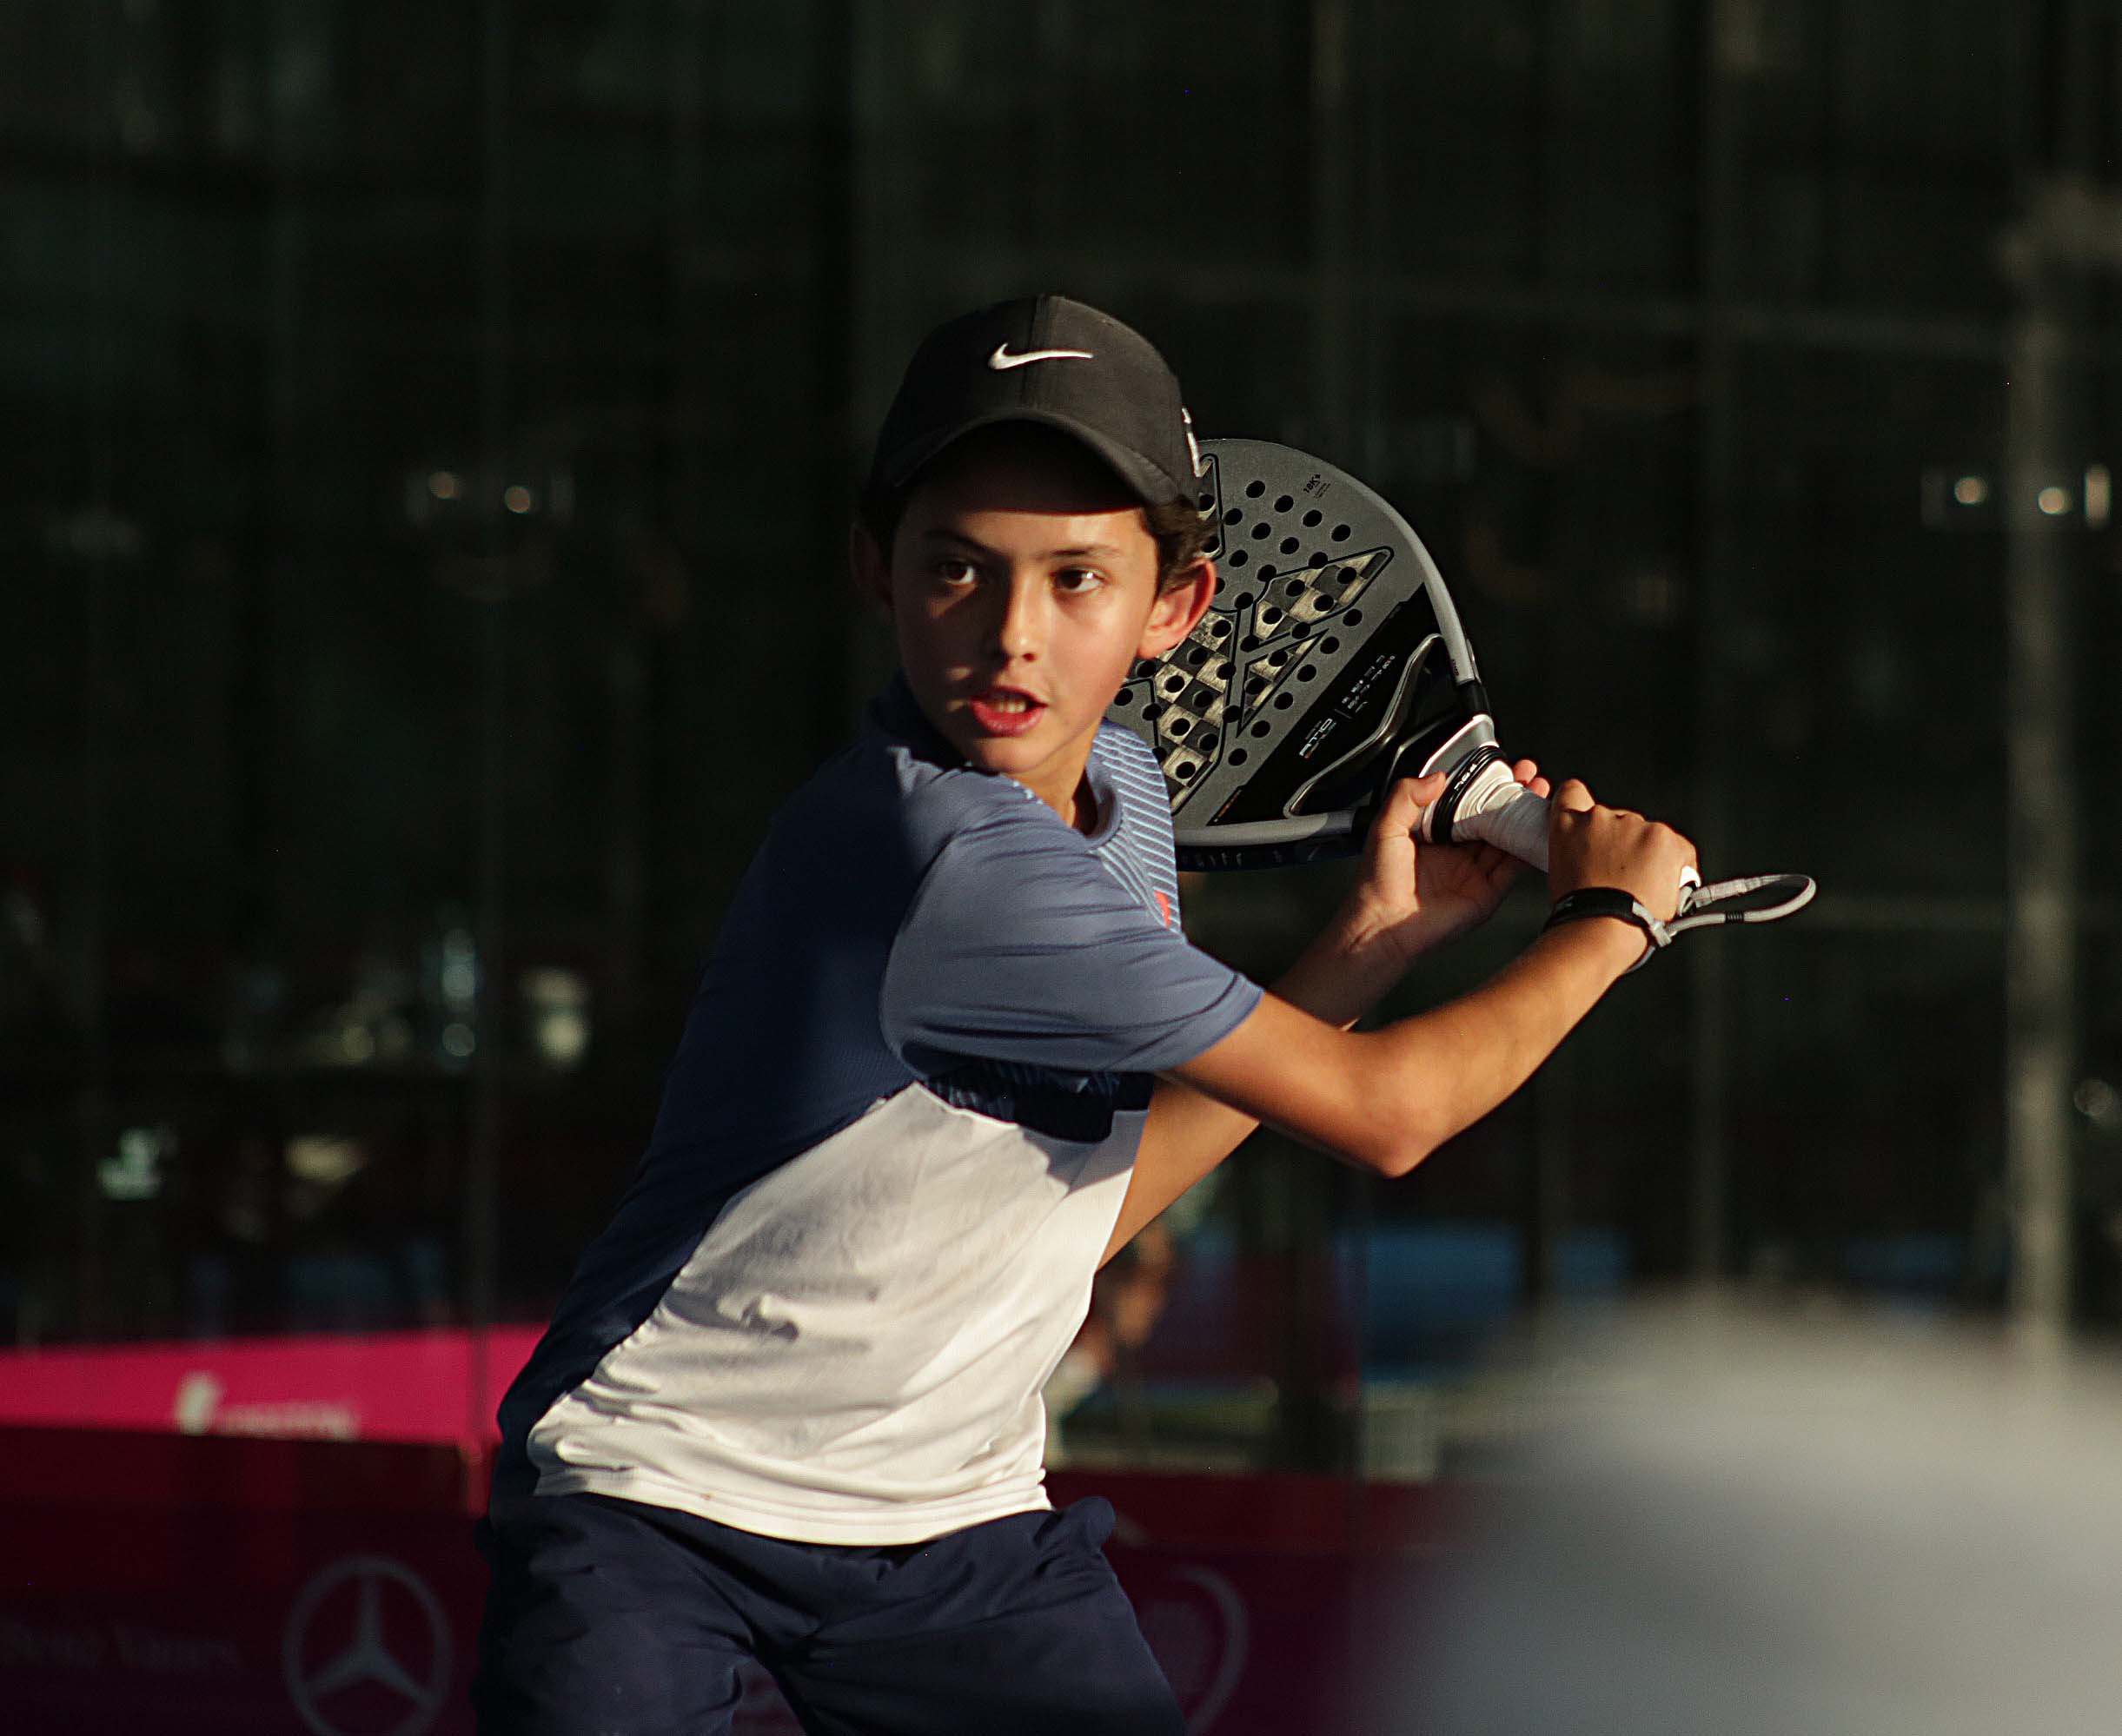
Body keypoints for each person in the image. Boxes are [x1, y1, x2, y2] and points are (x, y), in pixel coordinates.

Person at [473, 294, 1696, 1734]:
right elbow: (1392, 1116)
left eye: (1075, 579)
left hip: (950, 1525)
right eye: (958, 568)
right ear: (875, 568)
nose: (1012, 635)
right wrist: (1611, 923)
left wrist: (1369, 944)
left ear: (1174, 605)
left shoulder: (1119, 793)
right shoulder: (952, 857)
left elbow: (1081, 1212)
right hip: (652, 1499)